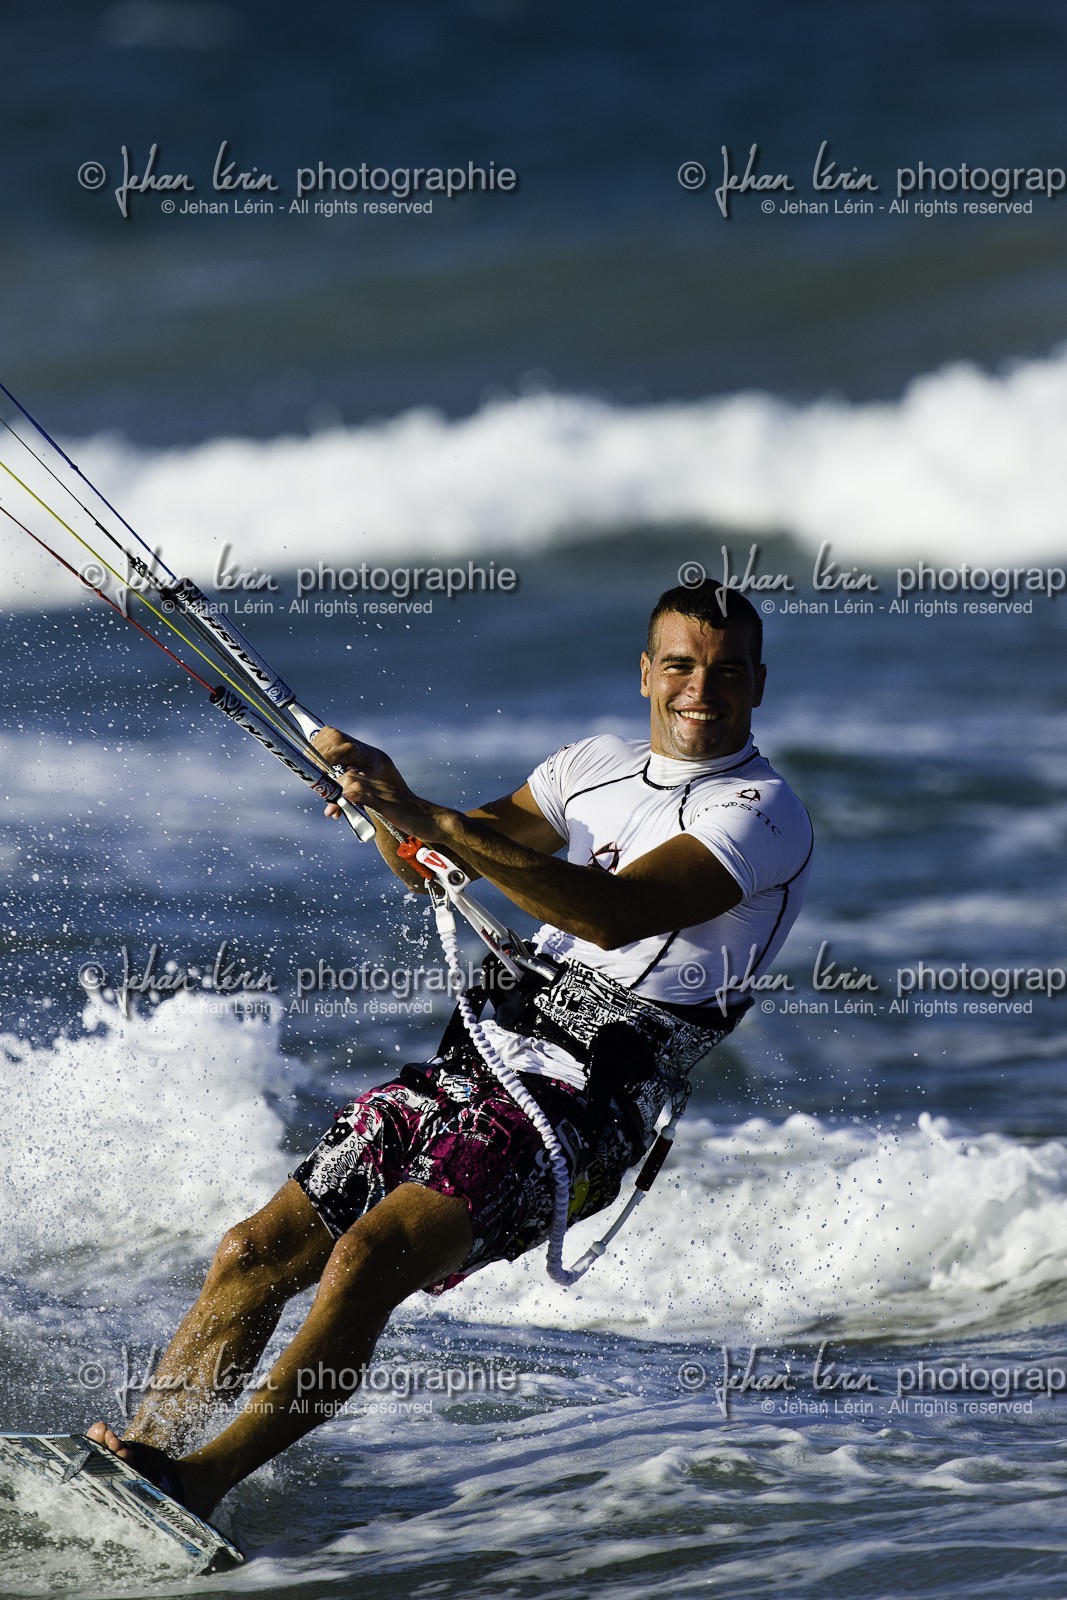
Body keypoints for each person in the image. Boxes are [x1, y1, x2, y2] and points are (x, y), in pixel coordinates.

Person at [87, 580, 813, 1520]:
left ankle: (199, 1482)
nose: (698, 689)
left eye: (725, 671)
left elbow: (609, 912)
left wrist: (440, 821)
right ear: (646, 672)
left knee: (369, 1258)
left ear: (758, 683)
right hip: (481, 1063)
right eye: (678, 664)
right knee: (253, 1250)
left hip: (584, 1111)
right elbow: (437, 862)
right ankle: (147, 1452)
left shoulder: (762, 810)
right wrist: (389, 802)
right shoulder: (591, 765)